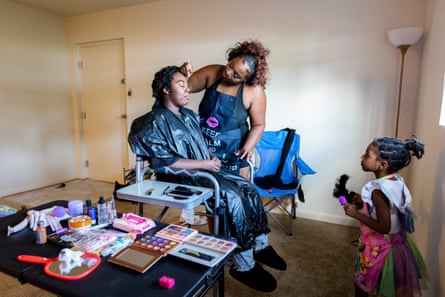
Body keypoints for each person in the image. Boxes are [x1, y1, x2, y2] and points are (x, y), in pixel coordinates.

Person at [128, 66, 286, 293]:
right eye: (181, 85)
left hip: (204, 170)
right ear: (165, 89)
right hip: (181, 176)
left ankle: (260, 245)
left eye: (186, 84)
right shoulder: (153, 122)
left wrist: (209, 157)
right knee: (231, 197)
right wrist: (204, 164)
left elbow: (199, 145)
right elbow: (165, 163)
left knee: (246, 188)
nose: (187, 89)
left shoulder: (189, 116)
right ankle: (243, 265)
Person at [343, 136, 429, 297]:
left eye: (367, 155)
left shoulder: (377, 192)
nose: (362, 157)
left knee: (361, 284)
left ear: (383, 165)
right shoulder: (396, 181)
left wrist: (355, 214)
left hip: (379, 248)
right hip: (398, 245)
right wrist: (362, 205)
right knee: (395, 288)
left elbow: (384, 226)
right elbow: (390, 211)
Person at [181, 39, 270, 179]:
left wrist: (248, 147)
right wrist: (182, 73)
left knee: (235, 196)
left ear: (246, 80)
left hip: (234, 152)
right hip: (204, 149)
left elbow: (259, 124)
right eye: (230, 66)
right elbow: (185, 87)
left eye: (236, 75)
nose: (228, 73)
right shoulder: (212, 72)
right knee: (204, 193)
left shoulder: (254, 92)